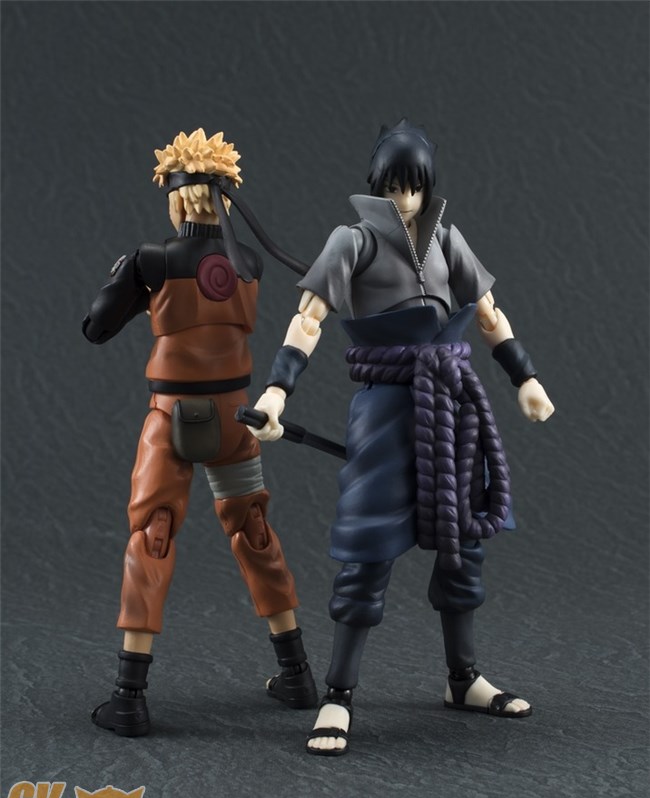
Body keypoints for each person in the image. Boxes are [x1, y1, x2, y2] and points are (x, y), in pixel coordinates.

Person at [250, 119, 554, 756]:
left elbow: (489, 313)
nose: (406, 199)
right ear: (378, 184)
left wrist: (524, 376)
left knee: (464, 542)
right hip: (387, 409)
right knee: (367, 551)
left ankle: (463, 678)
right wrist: (277, 391)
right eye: (394, 187)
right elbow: (308, 319)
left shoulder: (447, 239)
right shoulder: (352, 241)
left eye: (414, 187)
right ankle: (339, 693)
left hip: (452, 403)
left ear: (428, 186)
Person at [83, 129, 317, 737]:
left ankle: (129, 698)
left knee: (153, 535)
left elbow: (96, 327)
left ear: (177, 196)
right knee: (255, 530)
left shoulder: (153, 259)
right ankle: (297, 674)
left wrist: (132, 283)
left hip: (170, 419)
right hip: (234, 418)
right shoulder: (250, 264)